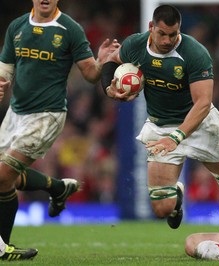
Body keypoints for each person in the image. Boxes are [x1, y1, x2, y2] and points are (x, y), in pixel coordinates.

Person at [101, 4, 219, 229]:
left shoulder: (194, 53)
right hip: (161, 127)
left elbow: (203, 103)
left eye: (173, 34)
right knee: (162, 209)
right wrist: (108, 88)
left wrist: (177, 137)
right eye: (162, 34)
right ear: (151, 28)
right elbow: (111, 60)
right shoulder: (135, 45)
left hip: (201, 124)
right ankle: (176, 200)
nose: (168, 40)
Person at [0, 0, 119, 259]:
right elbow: (6, 67)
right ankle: (56, 187)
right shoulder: (17, 26)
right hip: (15, 113)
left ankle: (2, 247)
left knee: (3, 174)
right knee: (3, 178)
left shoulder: (69, 29)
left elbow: (90, 74)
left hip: (47, 115)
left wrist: (101, 62)